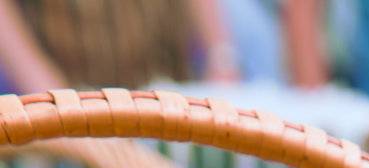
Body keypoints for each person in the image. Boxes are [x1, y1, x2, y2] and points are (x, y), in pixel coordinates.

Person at [0, 0, 240, 90]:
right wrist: (51, 97)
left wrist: (220, 57)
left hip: (164, 86)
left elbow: (222, 66)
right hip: (72, 83)